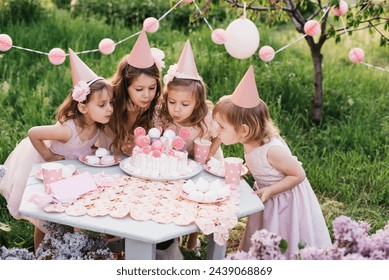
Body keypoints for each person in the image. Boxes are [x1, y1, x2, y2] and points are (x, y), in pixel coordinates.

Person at [212, 65, 332, 259]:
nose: (217, 130)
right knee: (264, 226)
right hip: (267, 194)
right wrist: (248, 168)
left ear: (243, 130)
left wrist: (270, 190)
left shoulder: (272, 150)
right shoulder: (249, 141)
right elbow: (261, 164)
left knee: (281, 230)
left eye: (221, 127)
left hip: (285, 199)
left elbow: (298, 175)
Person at [0, 48, 113, 250]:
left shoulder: (96, 126)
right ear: (83, 107)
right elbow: (33, 132)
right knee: (45, 217)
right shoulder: (67, 130)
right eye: (103, 104)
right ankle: (39, 253)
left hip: (68, 171)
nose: (110, 109)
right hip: (46, 169)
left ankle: (67, 248)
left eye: (111, 103)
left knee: (68, 213)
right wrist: (48, 155)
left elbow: (88, 145)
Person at [155, 40, 223, 252]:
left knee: (197, 200)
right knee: (174, 198)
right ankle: (174, 234)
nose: (177, 109)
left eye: (185, 104)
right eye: (172, 102)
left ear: (197, 102)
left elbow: (218, 136)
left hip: (202, 163)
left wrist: (210, 154)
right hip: (174, 165)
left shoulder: (206, 118)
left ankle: (193, 235)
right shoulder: (163, 116)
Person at [99, 29, 165, 156]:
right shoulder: (111, 101)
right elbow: (119, 142)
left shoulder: (156, 103)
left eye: (152, 88)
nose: (147, 95)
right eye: (139, 89)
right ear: (125, 85)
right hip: (110, 151)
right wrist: (131, 116)